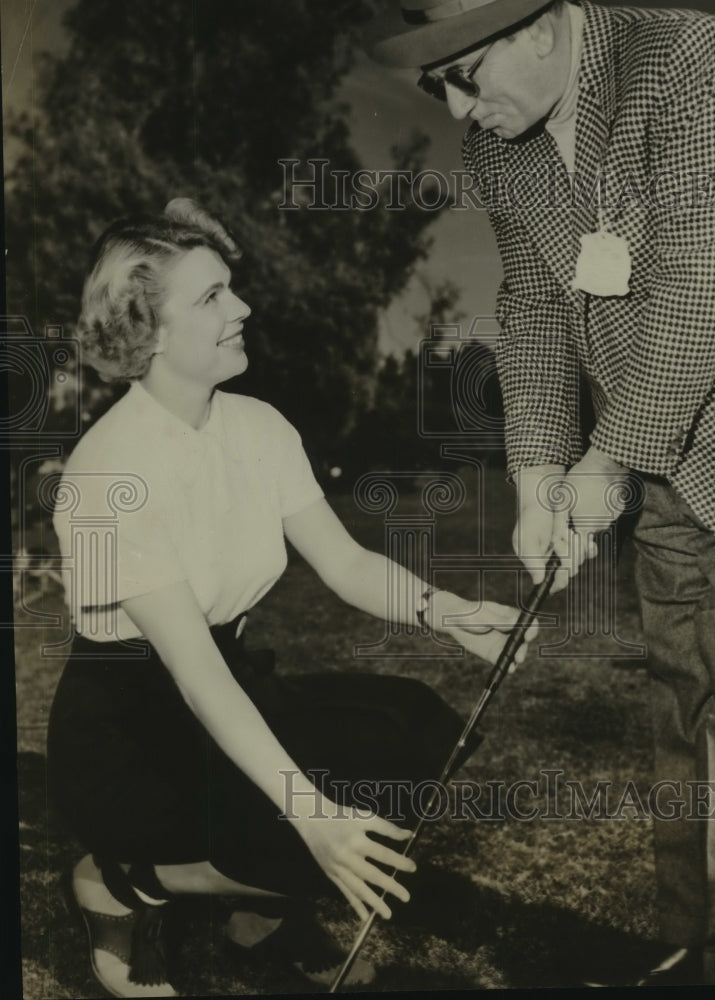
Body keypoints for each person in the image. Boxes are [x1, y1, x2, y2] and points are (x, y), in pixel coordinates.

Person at [367, 0, 715, 987]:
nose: (455, 104)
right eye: (434, 84)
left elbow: (702, 288)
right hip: (658, 464)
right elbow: (531, 307)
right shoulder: (502, 149)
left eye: (466, 70)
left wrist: (604, 463)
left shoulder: (688, 60)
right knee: (681, 713)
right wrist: (536, 477)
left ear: (539, 23)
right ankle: (688, 942)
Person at [48, 197, 535, 998]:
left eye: (231, 288)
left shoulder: (257, 425)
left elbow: (343, 563)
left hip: (229, 678)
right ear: (150, 327)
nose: (242, 308)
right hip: (128, 724)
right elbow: (194, 677)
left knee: (410, 733)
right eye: (211, 297)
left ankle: (255, 917)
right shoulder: (108, 475)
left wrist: (444, 612)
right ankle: (124, 882)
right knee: (311, 825)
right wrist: (310, 816)